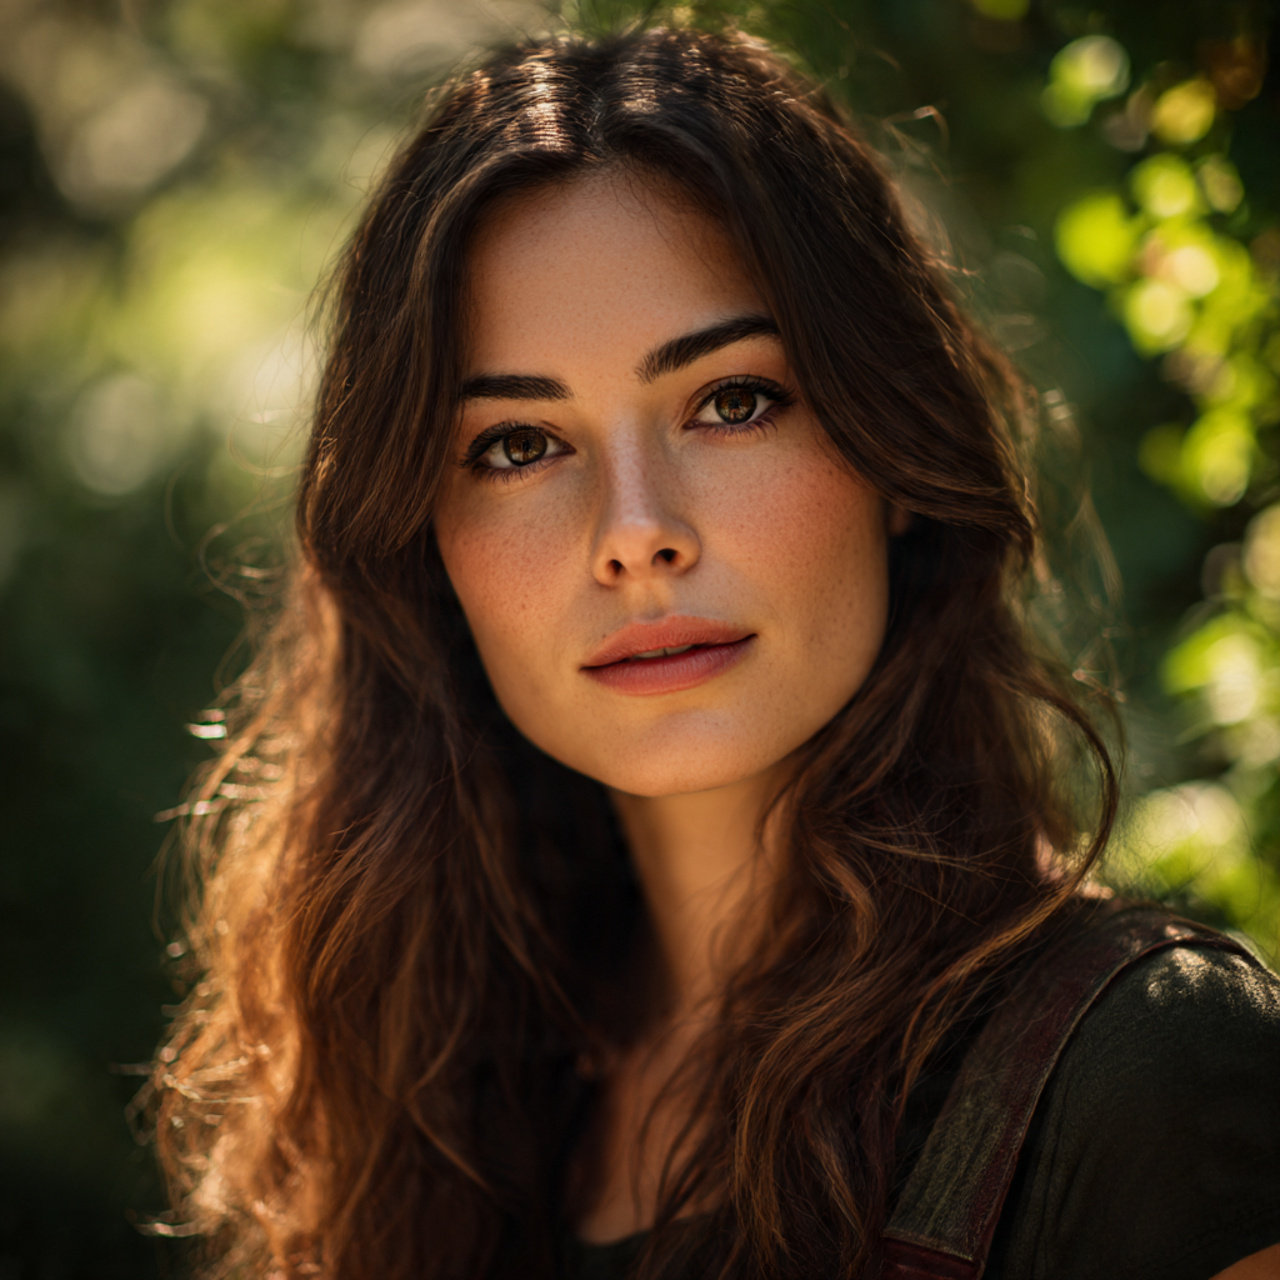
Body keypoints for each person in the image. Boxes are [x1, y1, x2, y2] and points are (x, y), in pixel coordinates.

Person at [150, 24, 1280, 1280]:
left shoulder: (1149, 1070)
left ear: (891, 455)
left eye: (731, 400)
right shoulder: (419, 1106)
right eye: (519, 444)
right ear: (426, 543)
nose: (635, 534)